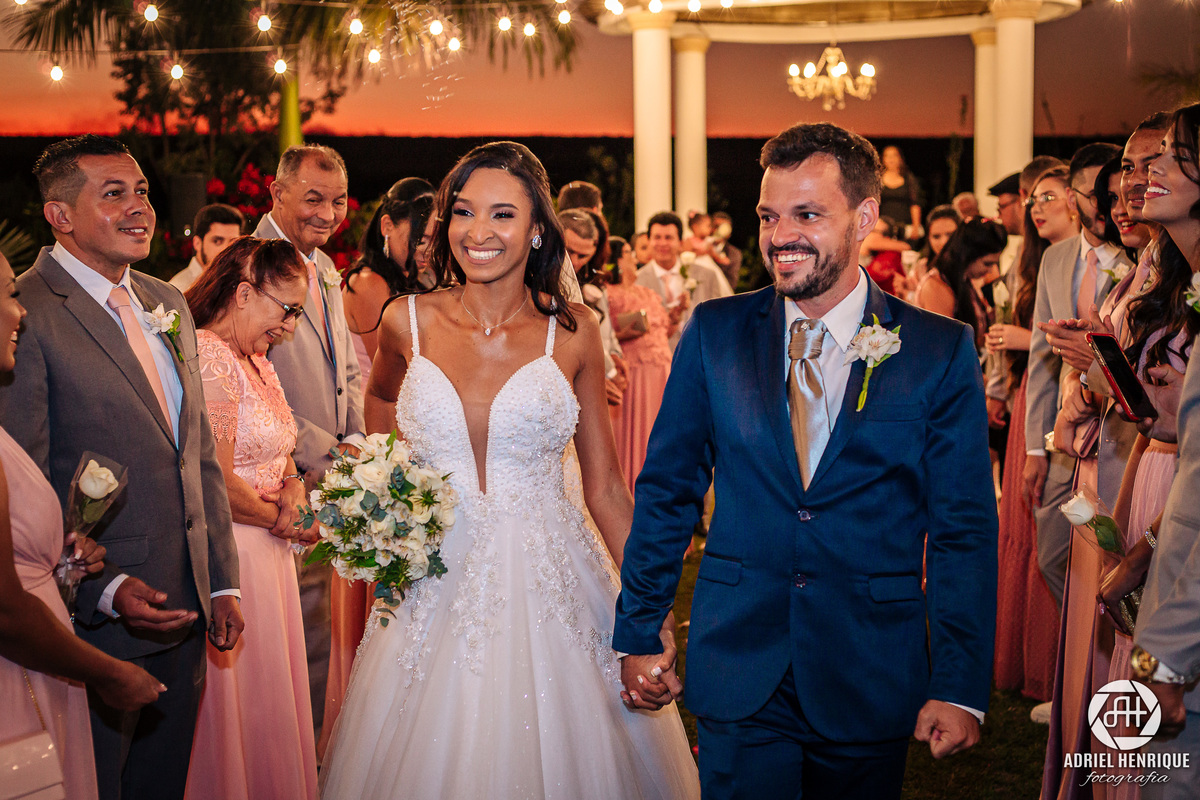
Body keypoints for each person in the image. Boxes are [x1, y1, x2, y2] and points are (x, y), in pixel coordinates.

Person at [614, 123, 997, 799]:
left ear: (865, 218)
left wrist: (960, 683)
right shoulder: (716, 333)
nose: (781, 235)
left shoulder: (937, 349)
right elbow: (668, 490)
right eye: (769, 216)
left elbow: (963, 528)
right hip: (741, 663)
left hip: (869, 665)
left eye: (808, 215)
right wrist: (640, 629)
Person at [319, 141, 699, 798]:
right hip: (432, 584)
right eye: (464, 212)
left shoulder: (575, 331)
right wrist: (388, 482)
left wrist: (651, 611)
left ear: (537, 230)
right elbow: (378, 398)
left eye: (502, 214)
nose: (479, 232)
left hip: (553, 578)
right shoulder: (405, 321)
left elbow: (607, 489)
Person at [0, 134, 242, 800]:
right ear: (59, 215)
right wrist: (102, 591)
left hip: (188, 605)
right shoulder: (26, 313)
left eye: (141, 191)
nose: (140, 207)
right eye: (114, 194)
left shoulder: (167, 300)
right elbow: (24, 487)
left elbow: (196, 452)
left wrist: (222, 580)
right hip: (94, 623)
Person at [1040, 114, 1174, 800]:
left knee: (1143, 631)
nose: (1132, 185)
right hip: (1117, 463)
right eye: (1126, 169)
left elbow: (1153, 400)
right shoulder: (1145, 273)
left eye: (1155, 163)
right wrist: (1086, 371)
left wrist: (1097, 368)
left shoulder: (1173, 280)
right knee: (1111, 621)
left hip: (1157, 466)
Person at [0, 252, 164, 800]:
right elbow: (6, 610)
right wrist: (108, 672)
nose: (21, 312)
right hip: (19, 674)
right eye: (8, 295)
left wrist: (66, 564)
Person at [183, 237, 319, 800]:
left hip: (270, 552)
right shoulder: (211, 356)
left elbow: (281, 446)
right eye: (286, 310)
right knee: (244, 706)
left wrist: (295, 486)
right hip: (237, 552)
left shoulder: (257, 361)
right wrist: (283, 519)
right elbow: (211, 475)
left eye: (297, 314)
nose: (289, 327)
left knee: (271, 698)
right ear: (243, 294)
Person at [324, 177, 441, 757]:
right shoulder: (371, 285)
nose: (423, 249)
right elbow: (392, 379)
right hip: (384, 437)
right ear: (387, 227)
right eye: (417, 237)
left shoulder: (417, 286)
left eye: (432, 239)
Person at [252, 144, 367, 738]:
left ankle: (311, 757)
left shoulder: (323, 267)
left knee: (319, 631)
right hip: (276, 485)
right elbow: (252, 385)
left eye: (339, 201)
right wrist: (332, 454)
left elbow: (346, 367)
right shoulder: (251, 266)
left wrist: (358, 440)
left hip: (332, 474)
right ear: (277, 193)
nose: (327, 214)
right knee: (284, 639)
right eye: (313, 199)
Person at [1025, 146, 1130, 609]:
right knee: (1051, 555)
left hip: (1119, 434)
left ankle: (1110, 640)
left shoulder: (1134, 256)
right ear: (1073, 198)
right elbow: (1040, 357)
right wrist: (1035, 447)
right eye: (1095, 195)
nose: (1105, 206)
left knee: (1113, 555)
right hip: (1063, 437)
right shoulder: (1055, 257)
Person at [343, 177, 439, 380]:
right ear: (387, 226)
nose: (429, 251)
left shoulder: (416, 279)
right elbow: (393, 371)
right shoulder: (368, 283)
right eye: (421, 240)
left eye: (436, 240)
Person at [607, 235, 675, 493]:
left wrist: (675, 316)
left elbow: (663, 331)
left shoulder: (647, 292)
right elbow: (604, 337)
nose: (633, 257)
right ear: (616, 260)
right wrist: (625, 330)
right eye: (628, 252)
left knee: (663, 435)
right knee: (638, 435)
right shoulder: (609, 294)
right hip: (636, 374)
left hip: (662, 371)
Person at [637, 211, 733, 351]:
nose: (662, 243)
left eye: (669, 237)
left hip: (698, 355)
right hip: (654, 358)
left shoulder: (707, 276)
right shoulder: (637, 281)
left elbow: (720, 320)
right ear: (649, 241)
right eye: (657, 237)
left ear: (680, 242)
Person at [914, 218, 1007, 354]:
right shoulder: (936, 286)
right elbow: (942, 349)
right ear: (968, 255)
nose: (990, 270)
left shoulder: (962, 281)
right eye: (987, 263)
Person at [169, 204, 244, 293]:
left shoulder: (239, 283)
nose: (226, 249)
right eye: (217, 241)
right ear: (197, 243)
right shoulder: (179, 289)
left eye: (233, 242)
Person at [879, 145, 923, 240]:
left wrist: (916, 227)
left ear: (900, 158)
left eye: (894, 155)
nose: (891, 159)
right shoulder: (878, 179)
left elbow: (914, 203)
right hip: (883, 227)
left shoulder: (908, 178)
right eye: (887, 156)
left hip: (905, 228)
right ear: (883, 159)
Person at [711, 211, 743, 291]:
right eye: (716, 226)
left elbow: (731, 283)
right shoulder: (700, 246)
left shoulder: (734, 253)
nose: (718, 231)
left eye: (723, 228)